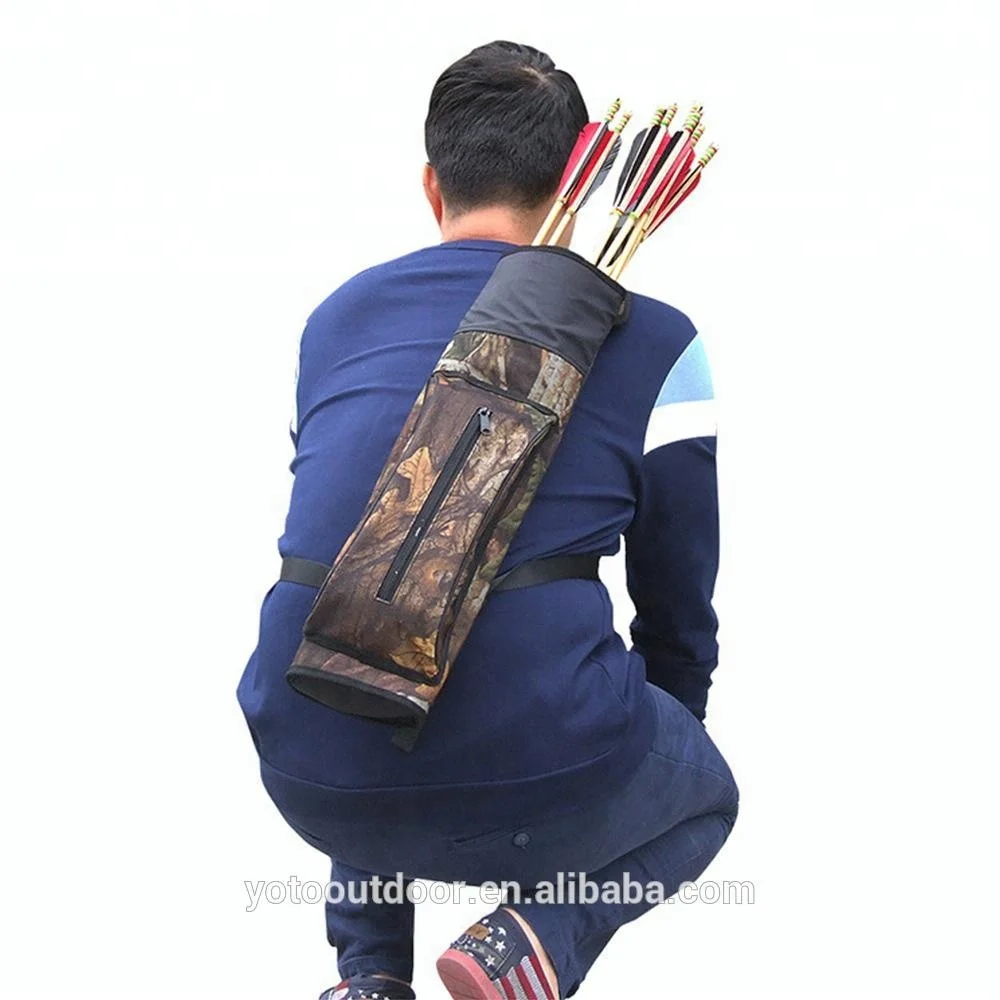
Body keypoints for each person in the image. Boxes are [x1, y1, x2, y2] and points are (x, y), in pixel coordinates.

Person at [236, 39, 738, 1000]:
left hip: (307, 766)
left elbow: (346, 526)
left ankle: (367, 975)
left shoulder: (334, 321)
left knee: (370, 612)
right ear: (580, 183)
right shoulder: (658, 339)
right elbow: (678, 601)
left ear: (433, 184)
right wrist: (653, 753)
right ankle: (533, 942)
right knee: (707, 797)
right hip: (548, 767)